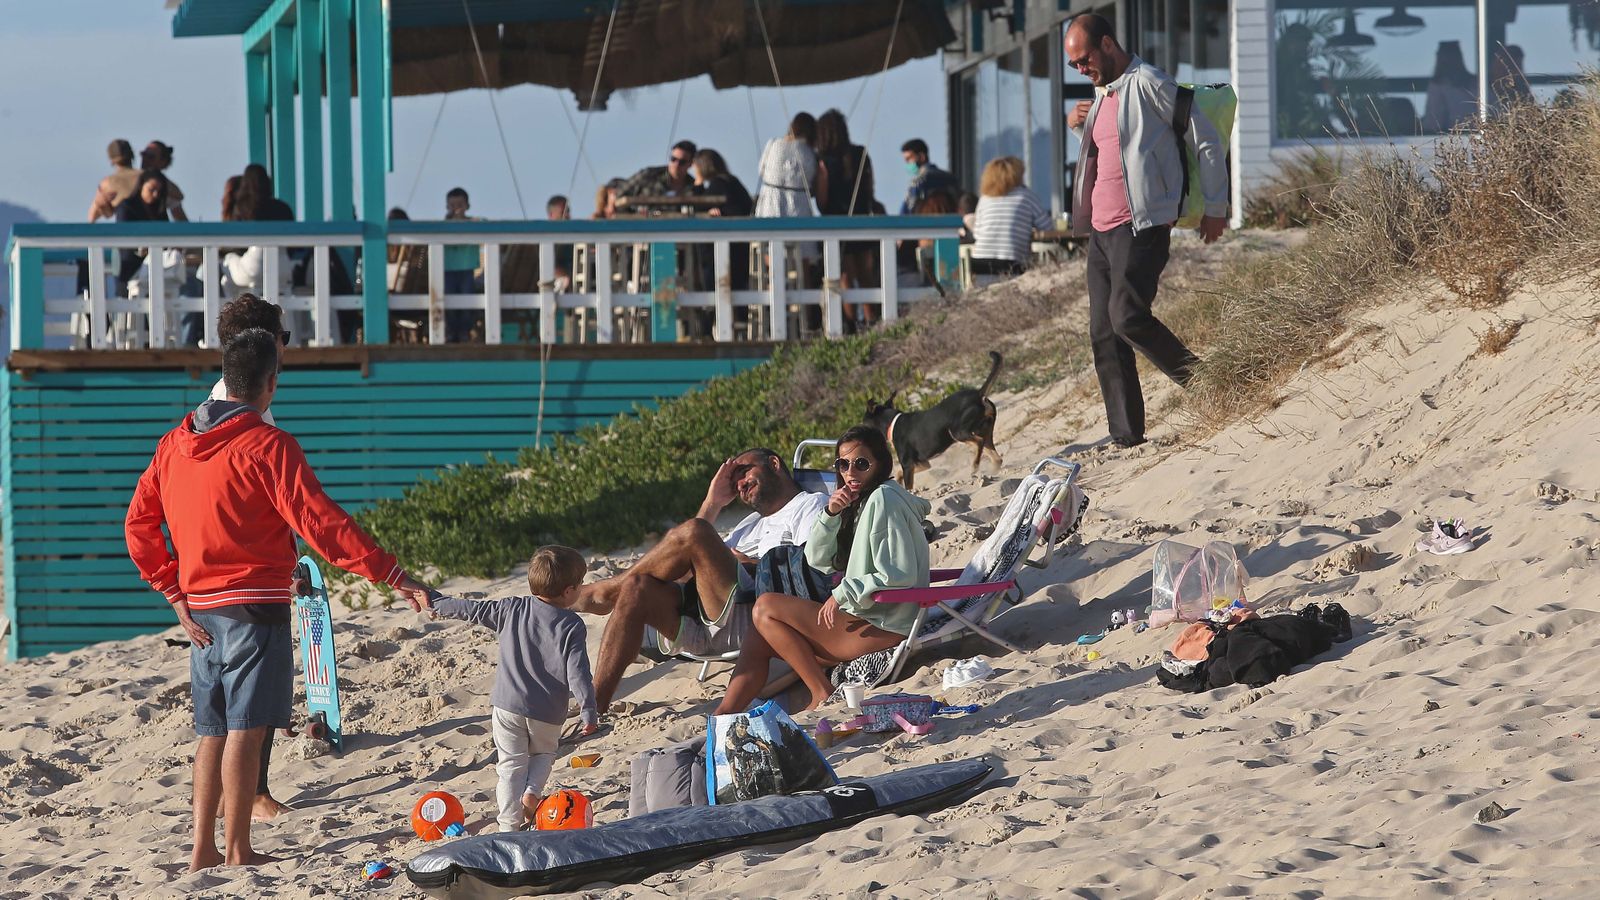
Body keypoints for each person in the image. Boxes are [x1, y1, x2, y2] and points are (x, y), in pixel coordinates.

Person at [126, 328, 429, 872]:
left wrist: (171, 590)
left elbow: (139, 523)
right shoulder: (269, 446)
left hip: (199, 610)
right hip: (254, 607)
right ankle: (239, 849)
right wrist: (390, 573)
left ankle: (201, 851)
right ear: (270, 384)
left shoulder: (174, 444)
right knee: (246, 728)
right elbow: (321, 523)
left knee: (211, 731)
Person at [1065, 13, 1227, 449]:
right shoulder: (1102, 93)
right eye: (1074, 66)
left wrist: (1216, 206)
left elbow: (1205, 137)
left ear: (1107, 44)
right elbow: (1117, 149)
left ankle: (1206, 381)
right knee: (1103, 332)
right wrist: (1078, 125)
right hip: (1101, 231)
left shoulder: (1149, 81)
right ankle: (1126, 435)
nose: (1082, 70)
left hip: (1143, 224)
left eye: (1084, 60)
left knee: (1127, 316)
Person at [572, 449, 828, 712]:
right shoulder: (749, 523)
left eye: (744, 471)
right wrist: (712, 502)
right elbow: (683, 567)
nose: (739, 483)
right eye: (734, 481)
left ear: (774, 464)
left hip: (754, 616)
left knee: (697, 531)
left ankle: (604, 593)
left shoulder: (810, 504)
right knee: (636, 588)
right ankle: (594, 706)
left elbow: (809, 569)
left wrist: (751, 563)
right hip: (702, 622)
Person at [717, 425, 930, 714]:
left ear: (881, 463)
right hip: (867, 614)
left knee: (765, 607)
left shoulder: (884, 500)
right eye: (843, 465)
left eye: (861, 464)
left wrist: (841, 594)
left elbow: (898, 574)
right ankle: (722, 717)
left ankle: (820, 691)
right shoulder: (862, 500)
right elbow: (817, 559)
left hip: (887, 623)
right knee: (759, 630)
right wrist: (830, 515)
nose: (851, 473)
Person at [422, 546, 599, 833]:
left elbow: (472, 610)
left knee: (509, 766)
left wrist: (435, 602)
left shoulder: (510, 608)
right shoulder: (572, 625)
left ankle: (508, 826)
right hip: (547, 713)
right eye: (579, 585)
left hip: (507, 707)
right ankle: (531, 792)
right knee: (543, 755)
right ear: (568, 592)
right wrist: (588, 710)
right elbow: (577, 671)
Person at [815, 109, 879, 330]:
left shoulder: (823, 162)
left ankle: (851, 324)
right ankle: (872, 320)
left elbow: (822, 201)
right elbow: (870, 188)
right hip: (862, 220)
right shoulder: (861, 154)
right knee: (866, 274)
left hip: (836, 223)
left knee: (845, 276)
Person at [970, 156, 1052, 279]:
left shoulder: (984, 198)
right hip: (1012, 263)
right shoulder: (1026, 196)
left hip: (980, 263)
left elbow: (977, 233)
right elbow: (1048, 227)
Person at [691, 148, 754, 296]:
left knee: (712, 287)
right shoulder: (732, 181)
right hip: (741, 247)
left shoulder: (718, 184)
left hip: (722, 251)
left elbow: (698, 206)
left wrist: (698, 185)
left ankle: (710, 317)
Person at [113, 171, 170, 296]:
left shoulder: (160, 210)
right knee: (127, 305)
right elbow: (122, 234)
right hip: (129, 265)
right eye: (151, 189)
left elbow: (166, 235)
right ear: (141, 186)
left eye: (159, 192)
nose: (155, 195)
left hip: (155, 266)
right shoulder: (126, 206)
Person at [754, 113, 820, 220]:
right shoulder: (810, 154)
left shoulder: (773, 144)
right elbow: (813, 184)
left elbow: (762, 170)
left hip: (769, 204)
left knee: (767, 234)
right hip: (799, 206)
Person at [443, 187, 482, 342]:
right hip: (448, 269)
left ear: (467, 206)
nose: (456, 209)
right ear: (447, 207)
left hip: (466, 269)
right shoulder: (443, 225)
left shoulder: (472, 223)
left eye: (459, 204)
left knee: (467, 302)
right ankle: (452, 332)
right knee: (449, 301)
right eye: (452, 205)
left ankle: (465, 331)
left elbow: (484, 223)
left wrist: (469, 222)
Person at [1423, 40, 1478, 133]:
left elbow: (1434, 122)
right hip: (1471, 136)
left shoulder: (1438, 86)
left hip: (1455, 139)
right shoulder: (1477, 83)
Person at [614, 140, 698, 200]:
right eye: (673, 159)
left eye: (682, 162)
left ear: (691, 164)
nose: (676, 164)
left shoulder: (693, 186)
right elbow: (619, 193)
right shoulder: (649, 175)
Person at [899, 138, 960, 214]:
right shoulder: (951, 178)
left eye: (909, 158)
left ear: (922, 157)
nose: (907, 163)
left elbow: (907, 211)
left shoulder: (918, 181)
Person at [89, 139, 141, 222]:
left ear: (112, 160)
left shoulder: (107, 183)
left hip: (124, 232)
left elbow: (91, 218)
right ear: (132, 155)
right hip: (155, 231)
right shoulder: (149, 176)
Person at [141, 141, 189, 222]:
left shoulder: (165, 186)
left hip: (157, 231)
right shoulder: (132, 180)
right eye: (144, 155)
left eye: (151, 157)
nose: (145, 159)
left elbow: (180, 217)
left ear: (162, 162)